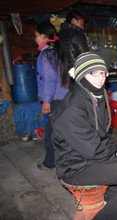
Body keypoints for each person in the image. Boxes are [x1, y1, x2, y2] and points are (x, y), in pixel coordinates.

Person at [51, 52, 117, 220]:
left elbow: (102, 136)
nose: (100, 78)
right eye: (93, 73)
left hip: (88, 159)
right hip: (76, 167)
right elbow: (93, 149)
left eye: (102, 73)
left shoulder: (94, 98)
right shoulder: (72, 109)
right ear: (81, 75)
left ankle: (108, 201)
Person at [34, 20, 69, 168]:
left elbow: (49, 79)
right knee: (62, 130)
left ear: (42, 36)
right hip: (65, 97)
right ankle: (67, 159)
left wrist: (46, 101)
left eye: (36, 35)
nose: (34, 39)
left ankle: (50, 162)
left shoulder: (46, 54)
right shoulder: (56, 51)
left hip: (55, 99)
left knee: (51, 133)